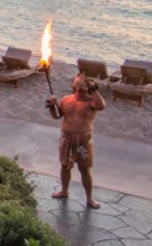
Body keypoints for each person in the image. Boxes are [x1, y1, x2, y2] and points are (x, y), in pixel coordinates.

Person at [46, 72, 107, 209]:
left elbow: (102, 105)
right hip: (66, 137)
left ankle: (90, 198)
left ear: (88, 86)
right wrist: (52, 106)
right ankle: (64, 190)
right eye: (78, 79)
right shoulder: (67, 99)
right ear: (73, 84)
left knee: (84, 169)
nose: (80, 81)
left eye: (84, 81)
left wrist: (94, 88)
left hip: (83, 140)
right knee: (64, 166)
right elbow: (57, 116)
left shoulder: (92, 102)